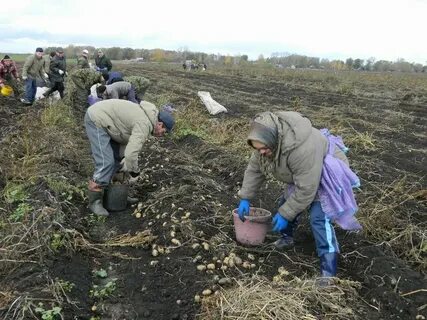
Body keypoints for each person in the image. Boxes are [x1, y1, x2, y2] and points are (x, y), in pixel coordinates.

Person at [237, 111, 361, 284]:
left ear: (274, 139)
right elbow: (254, 169)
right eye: (258, 149)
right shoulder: (265, 144)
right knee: (286, 203)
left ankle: (329, 270)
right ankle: (286, 238)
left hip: (326, 172)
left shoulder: (300, 150)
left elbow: (306, 189)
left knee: (319, 218)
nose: (262, 152)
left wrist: (285, 214)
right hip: (305, 173)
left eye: (264, 149)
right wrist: (246, 197)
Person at [84, 99, 175, 216]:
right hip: (97, 119)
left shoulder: (147, 118)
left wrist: (124, 162)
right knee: (106, 162)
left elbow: (127, 149)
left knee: (117, 160)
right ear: (160, 124)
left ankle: (115, 195)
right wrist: (134, 173)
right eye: (164, 131)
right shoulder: (144, 124)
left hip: (112, 126)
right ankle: (95, 201)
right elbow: (131, 154)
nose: (163, 135)